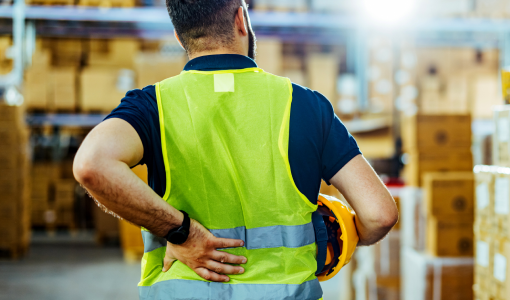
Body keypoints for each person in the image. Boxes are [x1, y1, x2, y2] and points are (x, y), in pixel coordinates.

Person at [72, 0, 399, 299]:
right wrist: (348, 236)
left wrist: (181, 232)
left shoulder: (151, 106)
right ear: (242, 20)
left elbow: (92, 164)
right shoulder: (305, 105)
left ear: (179, 36)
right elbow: (379, 214)